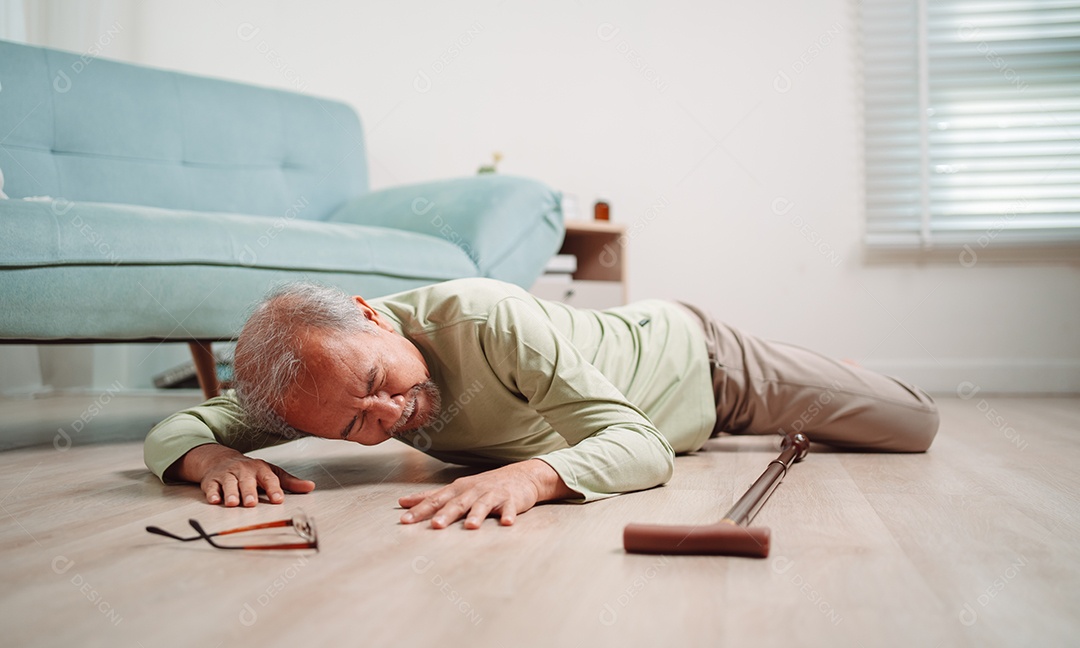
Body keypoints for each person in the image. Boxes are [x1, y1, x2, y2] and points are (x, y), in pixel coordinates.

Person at [144, 278, 939, 530]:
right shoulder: (306, 389)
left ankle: (828, 369)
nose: (386, 414)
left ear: (374, 314)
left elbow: (640, 445)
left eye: (379, 382)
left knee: (913, 424)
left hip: (706, 369)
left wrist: (531, 477)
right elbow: (181, 424)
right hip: (660, 413)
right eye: (354, 426)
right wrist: (210, 455)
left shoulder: (485, 317)